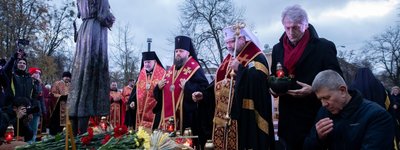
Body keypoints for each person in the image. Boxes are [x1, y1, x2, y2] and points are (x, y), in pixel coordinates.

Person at [270, 5, 343, 149]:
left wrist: (313, 90)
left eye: (296, 27)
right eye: (287, 28)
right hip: (288, 115)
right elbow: (275, 75)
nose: (290, 32)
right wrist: (274, 88)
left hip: (315, 113)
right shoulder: (277, 49)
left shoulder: (323, 46)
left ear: (305, 25)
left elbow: (336, 78)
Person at [193, 24, 274, 149]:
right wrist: (204, 95)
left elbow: (259, 81)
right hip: (224, 118)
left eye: (232, 41)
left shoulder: (256, 55)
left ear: (242, 38)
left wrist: (240, 69)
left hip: (245, 115)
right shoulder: (229, 59)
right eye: (227, 42)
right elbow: (218, 84)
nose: (229, 46)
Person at [303, 70, 394, 149]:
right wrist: (318, 138)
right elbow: (307, 146)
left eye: (326, 97)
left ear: (342, 90)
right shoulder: (323, 112)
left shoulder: (377, 116)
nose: (323, 104)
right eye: (320, 99)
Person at [68, 0, 115, 135]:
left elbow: (80, 13)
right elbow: (103, 15)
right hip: (95, 32)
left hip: (84, 30)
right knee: (91, 75)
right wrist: (111, 18)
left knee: (80, 75)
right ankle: (82, 135)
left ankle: (75, 132)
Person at [154, 36, 208, 148]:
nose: (178, 53)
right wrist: (158, 88)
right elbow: (161, 95)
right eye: (176, 51)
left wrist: (187, 86)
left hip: (187, 118)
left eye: (181, 51)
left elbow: (204, 89)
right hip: (169, 119)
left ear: (188, 53)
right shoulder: (171, 70)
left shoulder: (195, 68)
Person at [126, 51, 165, 131]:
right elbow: (135, 92)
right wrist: (132, 102)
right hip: (140, 111)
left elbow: (165, 95)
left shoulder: (163, 74)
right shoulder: (141, 74)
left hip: (155, 111)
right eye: (145, 62)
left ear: (154, 61)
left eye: (149, 62)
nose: (146, 64)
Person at [27, 67, 46, 143]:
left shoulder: (39, 84)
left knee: (34, 129)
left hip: (37, 110)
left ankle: (32, 144)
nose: (37, 75)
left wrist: (44, 110)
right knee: (28, 128)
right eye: (35, 73)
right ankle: (28, 144)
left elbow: (41, 98)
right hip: (29, 108)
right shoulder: (28, 82)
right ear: (31, 74)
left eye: (39, 73)